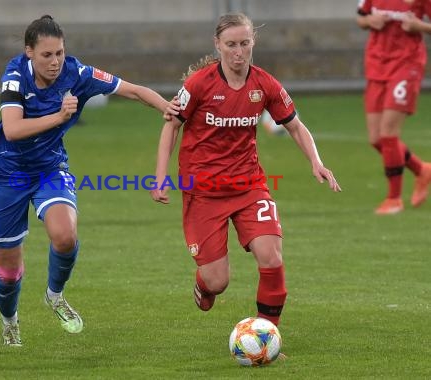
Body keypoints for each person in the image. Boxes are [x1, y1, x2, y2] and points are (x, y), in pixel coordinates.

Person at [0, 15, 178, 346]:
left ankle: (54, 295)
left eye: (59, 52)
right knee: (9, 271)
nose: (55, 61)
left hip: (49, 169)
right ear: (29, 52)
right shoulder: (15, 76)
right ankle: (10, 320)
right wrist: (59, 116)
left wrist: (168, 109)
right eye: (47, 55)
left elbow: (133, 90)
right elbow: (13, 130)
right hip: (7, 174)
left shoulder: (77, 73)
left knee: (65, 236)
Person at [150, 12, 341, 328]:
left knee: (271, 256)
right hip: (203, 191)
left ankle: (268, 336)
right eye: (230, 45)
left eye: (244, 43)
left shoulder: (264, 83)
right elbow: (171, 127)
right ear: (217, 45)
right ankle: (205, 284)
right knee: (218, 281)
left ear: (254, 43)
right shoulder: (198, 84)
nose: (238, 52)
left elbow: (295, 126)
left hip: (249, 185)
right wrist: (160, 177)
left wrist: (316, 161)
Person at [357, 0, 431, 215]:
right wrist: (369, 20)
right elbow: (361, 18)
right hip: (376, 64)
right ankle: (422, 170)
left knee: (388, 134)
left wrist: (420, 26)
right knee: (376, 139)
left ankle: (394, 199)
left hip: (406, 64)